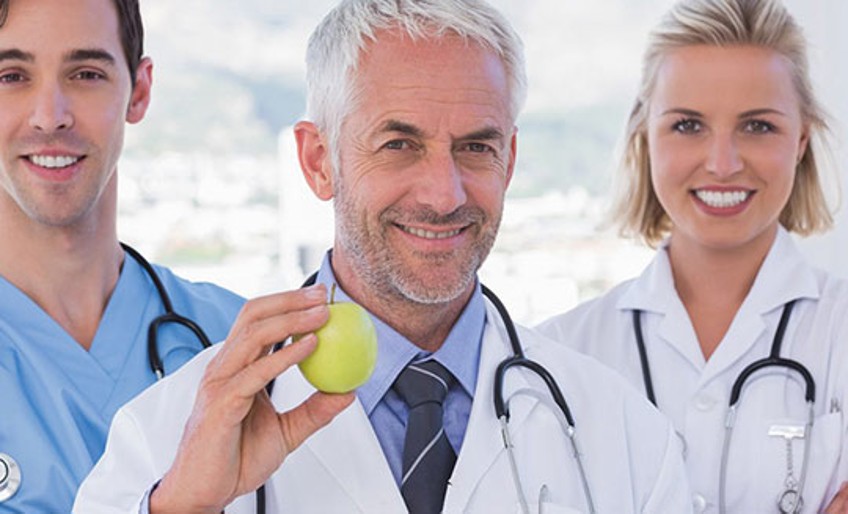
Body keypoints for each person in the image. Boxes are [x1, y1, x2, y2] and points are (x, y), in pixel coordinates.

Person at [73, 0, 694, 512]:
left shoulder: (623, 435)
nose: (443, 194)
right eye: (399, 143)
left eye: (477, 147)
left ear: (510, 160)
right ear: (319, 161)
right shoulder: (165, 440)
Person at [536, 0, 848, 512]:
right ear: (645, 135)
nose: (722, 163)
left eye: (758, 126)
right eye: (687, 125)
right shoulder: (559, 356)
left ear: (801, 140)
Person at [0, 0, 245, 511]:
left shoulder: (236, 343)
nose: (50, 117)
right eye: (11, 76)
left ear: (139, 90)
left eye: (86, 73)